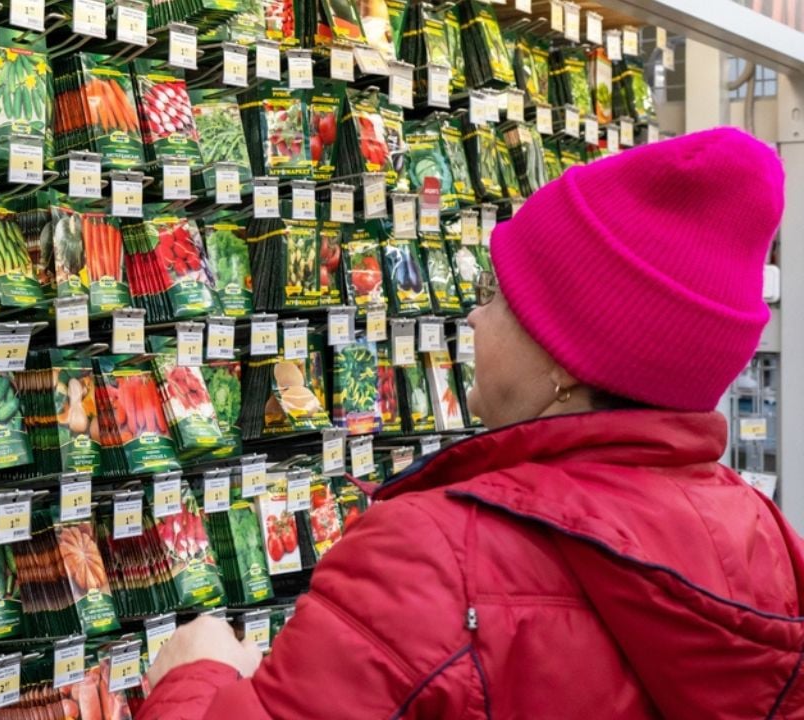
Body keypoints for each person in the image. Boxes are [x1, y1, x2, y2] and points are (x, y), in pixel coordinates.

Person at [137, 126, 802, 719]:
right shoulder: (764, 540)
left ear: (565, 358)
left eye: (498, 294)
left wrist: (194, 679)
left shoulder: (429, 560)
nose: (474, 318)